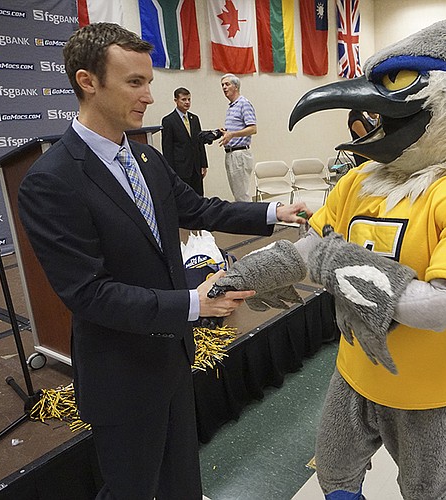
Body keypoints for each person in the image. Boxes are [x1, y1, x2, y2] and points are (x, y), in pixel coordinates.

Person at [16, 23, 309, 500]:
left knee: (181, 481)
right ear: (87, 81)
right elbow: (88, 294)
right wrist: (192, 304)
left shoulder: (144, 157)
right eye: (135, 82)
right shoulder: (52, 181)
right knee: (131, 488)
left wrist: (274, 212)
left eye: (149, 82)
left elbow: (198, 208)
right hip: (122, 374)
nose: (149, 96)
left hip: (172, 358)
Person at [289, 19, 446, 500]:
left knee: (426, 491)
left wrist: (335, 263)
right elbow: (307, 250)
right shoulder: (362, 179)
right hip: (355, 369)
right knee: (333, 473)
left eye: (401, 88)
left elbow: (437, 309)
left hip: (430, 390)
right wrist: (252, 274)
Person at [161, 87, 209, 195]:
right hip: (180, 169)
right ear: (176, 100)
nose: (187, 102)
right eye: (183, 99)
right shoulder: (168, 121)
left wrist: (204, 163)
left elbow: (200, 142)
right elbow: (167, 148)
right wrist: (171, 171)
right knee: (185, 199)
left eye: (189, 99)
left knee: (199, 197)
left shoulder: (194, 119)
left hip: (196, 168)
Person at [220, 73, 257, 201]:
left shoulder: (243, 104)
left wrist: (232, 134)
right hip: (230, 154)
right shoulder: (231, 106)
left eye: (227, 84)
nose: (224, 87)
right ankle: (244, 219)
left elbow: (253, 128)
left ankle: (249, 220)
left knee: (242, 194)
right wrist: (225, 132)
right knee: (237, 194)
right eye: (222, 85)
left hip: (239, 154)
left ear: (236, 86)